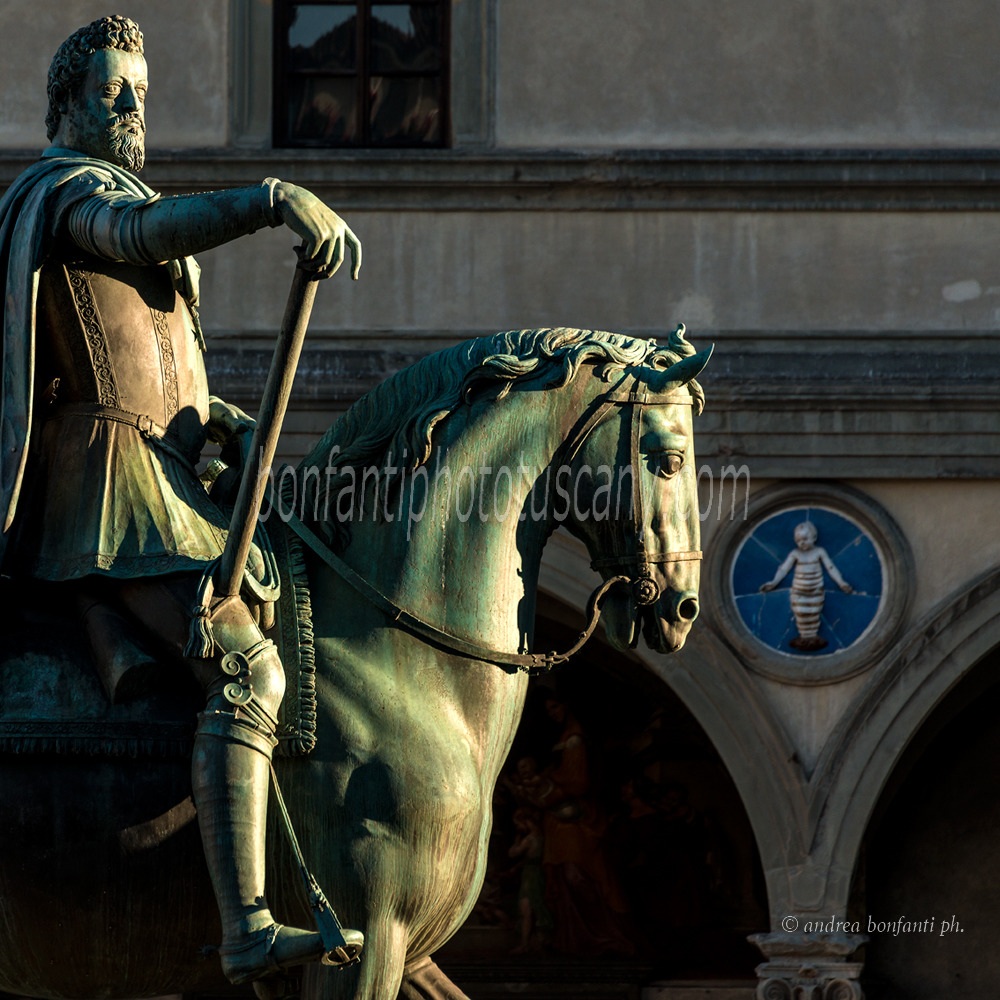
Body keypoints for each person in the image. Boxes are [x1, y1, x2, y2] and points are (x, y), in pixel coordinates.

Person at [0, 16, 362, 986]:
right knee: (247, 670)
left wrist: (224, 423)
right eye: (116, 91)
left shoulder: (117, 196)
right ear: (67, 102)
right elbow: (140, 234)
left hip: (162, 472)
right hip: (107, 489)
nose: (132, 109)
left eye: (142, 94)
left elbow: (167, 378)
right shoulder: (69, 193)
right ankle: (247, 920)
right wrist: (270, 196)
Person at [759, 520, 853, 651]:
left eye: (804, 539)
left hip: (815, 590)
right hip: (799, 590)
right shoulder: (795, 553)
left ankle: (813, 637)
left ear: (814, 537)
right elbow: (783, 569)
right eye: (798, 540)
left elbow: (830, 567)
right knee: (801, 614)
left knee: (814, 613)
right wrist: (773, 583)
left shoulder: (819, 551)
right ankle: (804, 638)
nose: (801, 543)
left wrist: (841, 583)